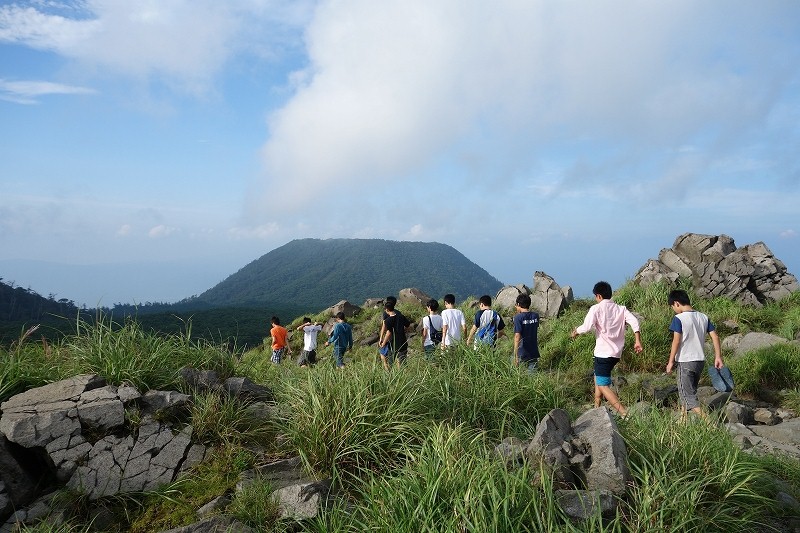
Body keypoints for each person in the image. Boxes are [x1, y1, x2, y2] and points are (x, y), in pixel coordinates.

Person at [570, 281, 642, 416]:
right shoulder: (621, 309)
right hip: (616, 354)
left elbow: (586, 327)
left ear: (598, 296)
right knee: (598, 377)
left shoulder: (596, 309)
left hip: (603, 354)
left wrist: (575, 332)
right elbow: (634, 321)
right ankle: (597, 407)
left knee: (603, 385)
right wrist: (637, 340)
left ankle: (624, 413)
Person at [666, 289, 724, 418]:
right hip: (699, 362)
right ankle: (683, 421)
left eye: (672, 307)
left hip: (685, 361)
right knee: (689, 393)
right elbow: (715, 337)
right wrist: (718, 356)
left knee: (688, 397)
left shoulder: (678, 318)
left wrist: (670, 362)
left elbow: (676, 341)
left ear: (676, 303)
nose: (673, 309)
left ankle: (710, 425)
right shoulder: (703, 317)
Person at [379, 299, 411, 369]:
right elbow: (408, 325)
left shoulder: (388, 321)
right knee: (403, 362)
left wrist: (383, 343)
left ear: (386, 310)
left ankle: (391, 376)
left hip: (393, 344)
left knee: (391, 362)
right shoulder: (401, 316)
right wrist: (404, 332)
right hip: (403, 342)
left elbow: (389, 332)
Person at [513, 294, 540, 372]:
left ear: (518, 304)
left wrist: (515, 355)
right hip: (533, 351)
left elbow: (517, 336)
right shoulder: (535, 316)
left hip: (522, 351)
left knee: (516, 373)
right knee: (532, 376)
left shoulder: (518, 317)